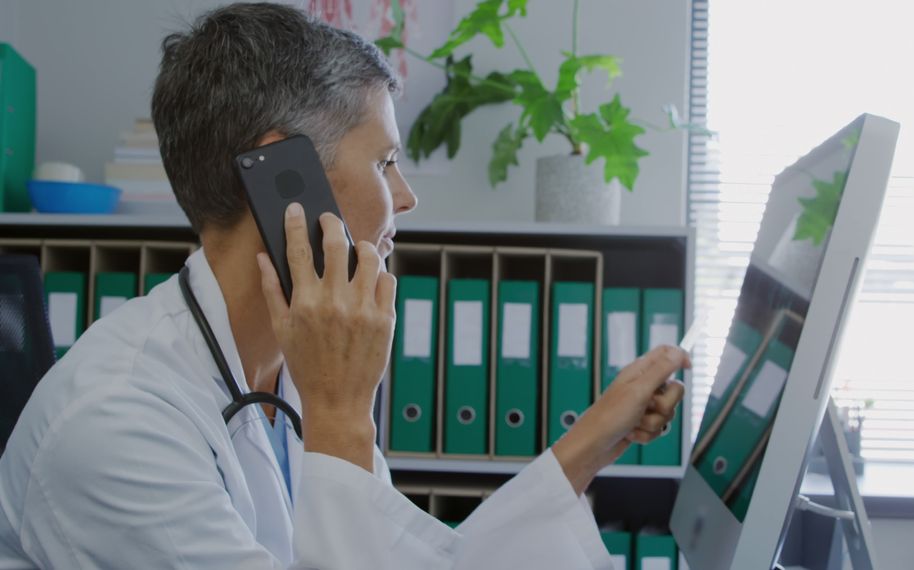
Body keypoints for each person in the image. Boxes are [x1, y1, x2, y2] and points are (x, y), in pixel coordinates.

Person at [0, 3, 688, 568]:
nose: (407, 198)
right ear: (281, 175)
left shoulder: (286, 375)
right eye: (385, 161)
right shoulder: (116, 423)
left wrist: (593, 439)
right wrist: (339, 414)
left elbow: (414, 563)